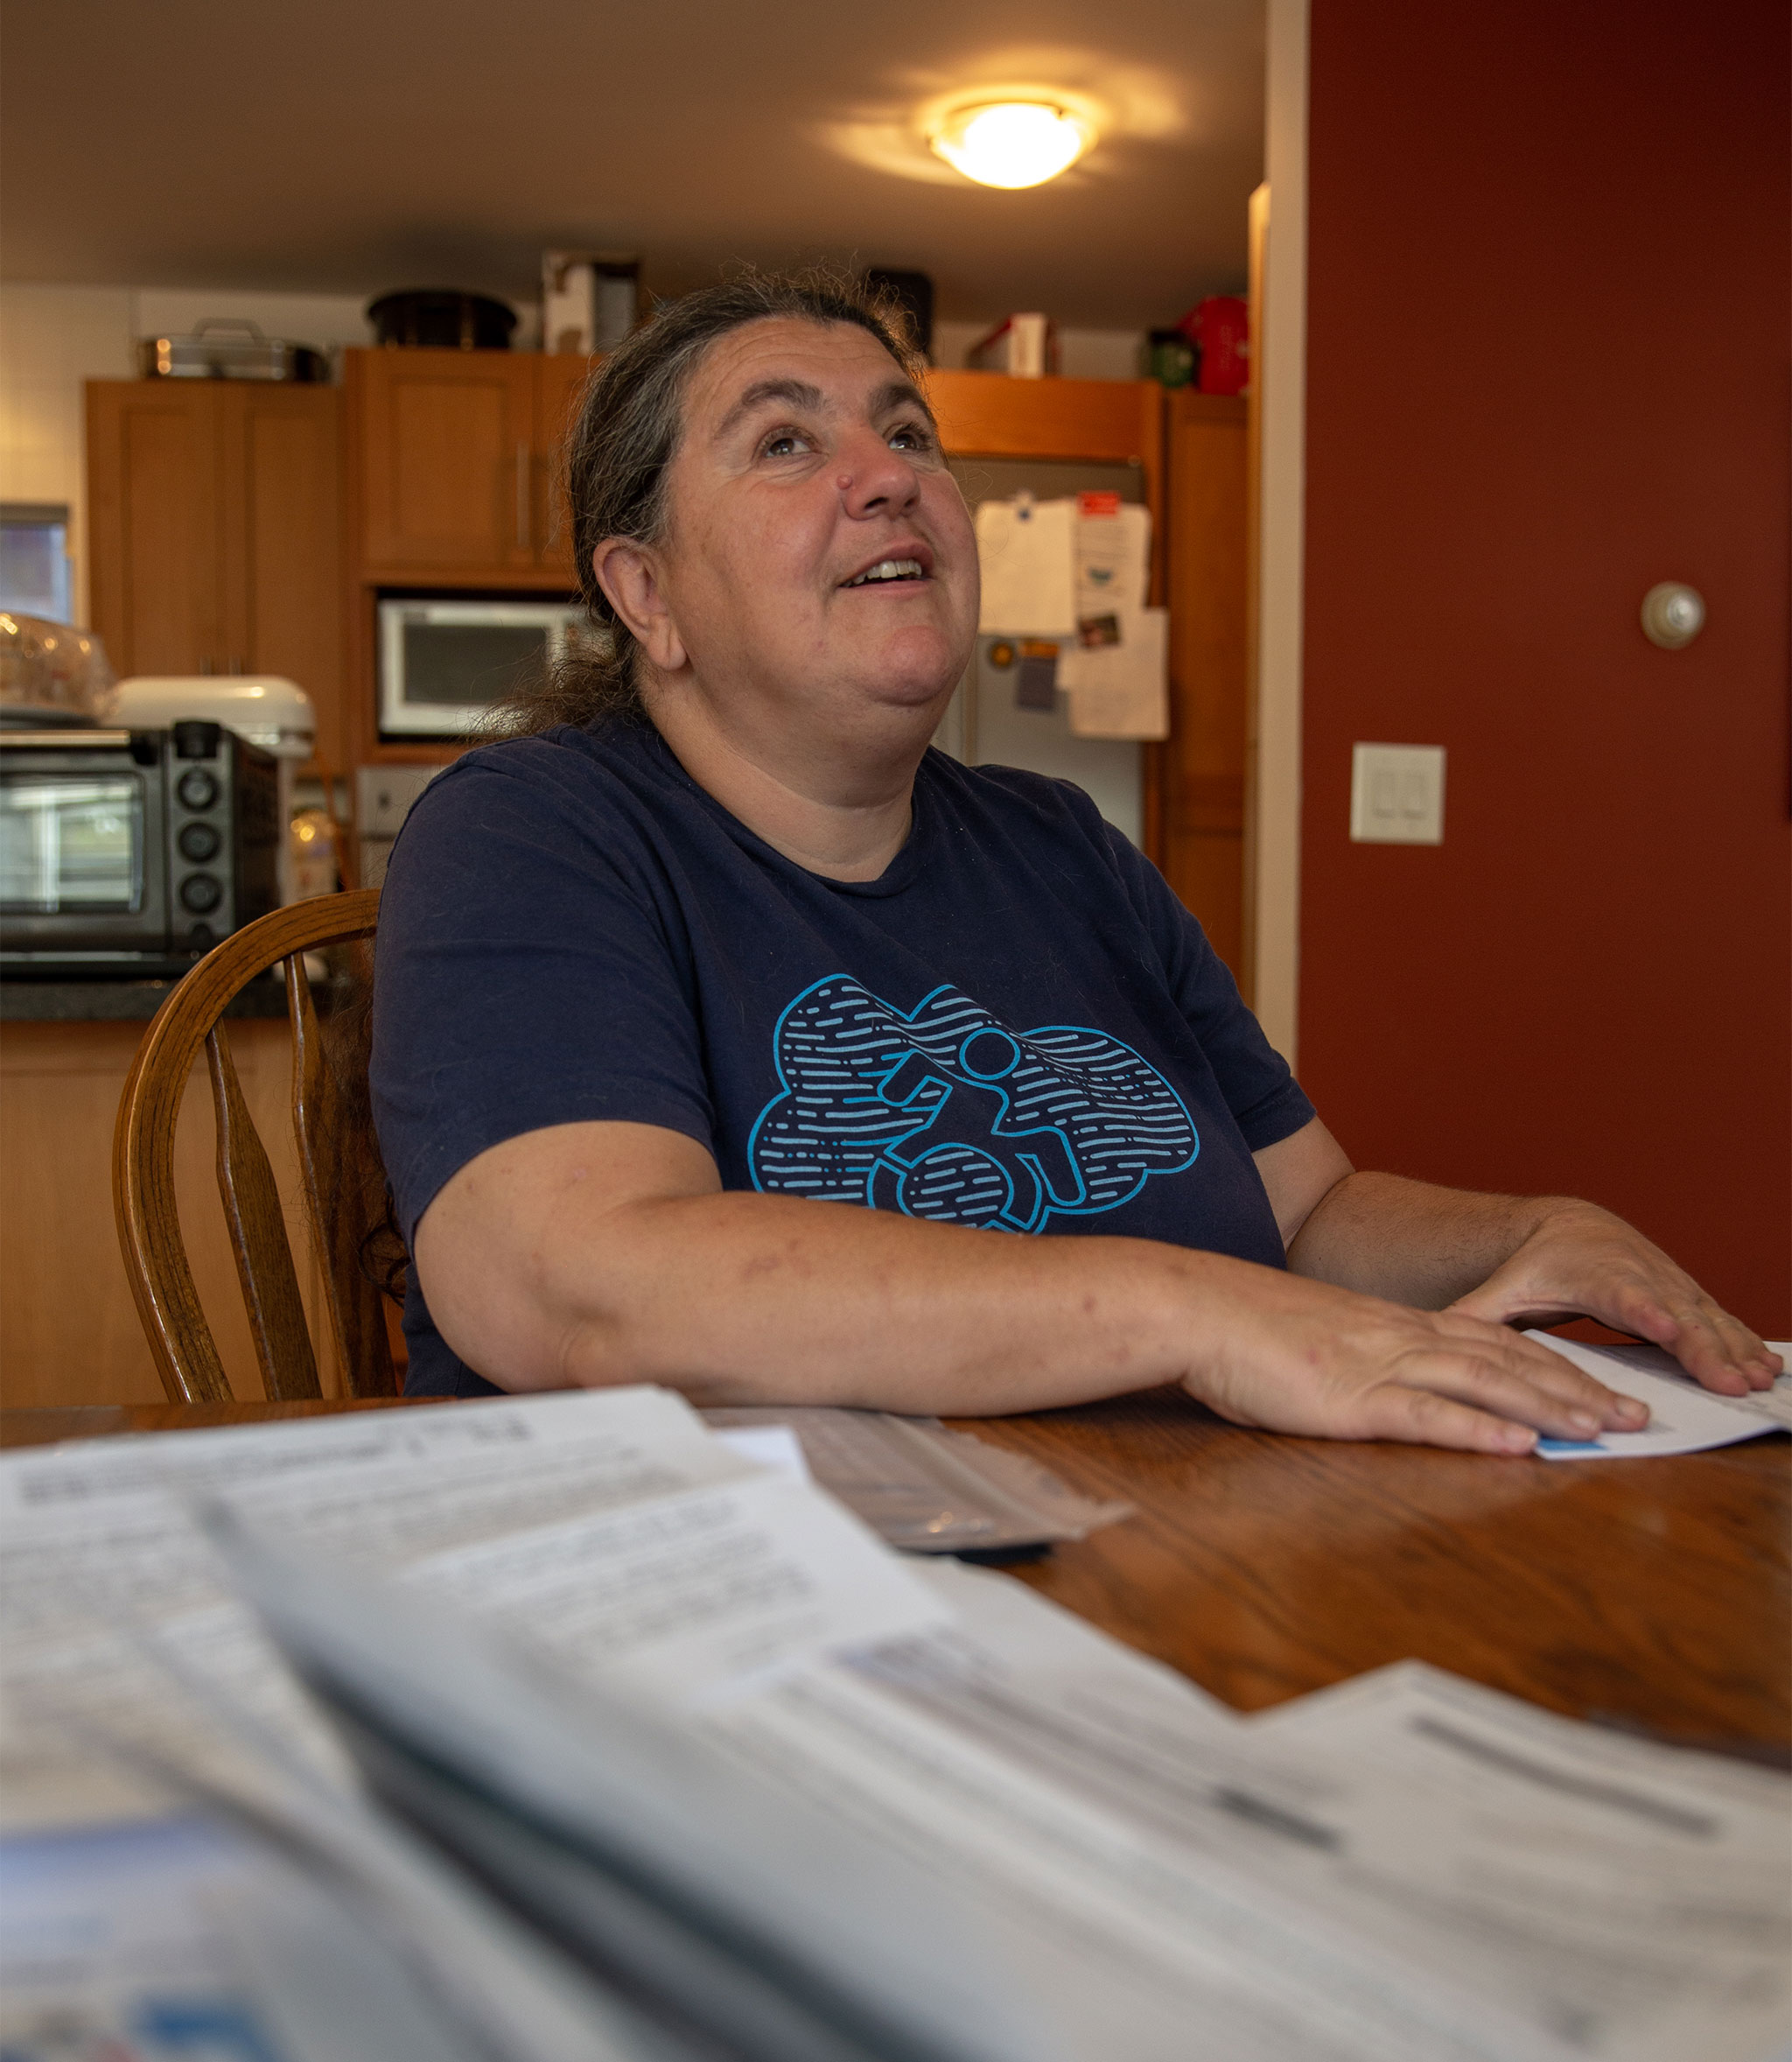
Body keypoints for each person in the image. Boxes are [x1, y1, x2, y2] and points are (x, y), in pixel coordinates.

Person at [370, 271, 1781, 1448]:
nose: (889, 480)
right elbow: (584, 1290)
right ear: (647, 593)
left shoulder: (1064, 845)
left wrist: (1527, 1232)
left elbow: (1314, 1215)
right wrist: (1191, 1311)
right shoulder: (532, 833)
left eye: (911, 434)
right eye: (787, 443)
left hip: (1175, 1558)